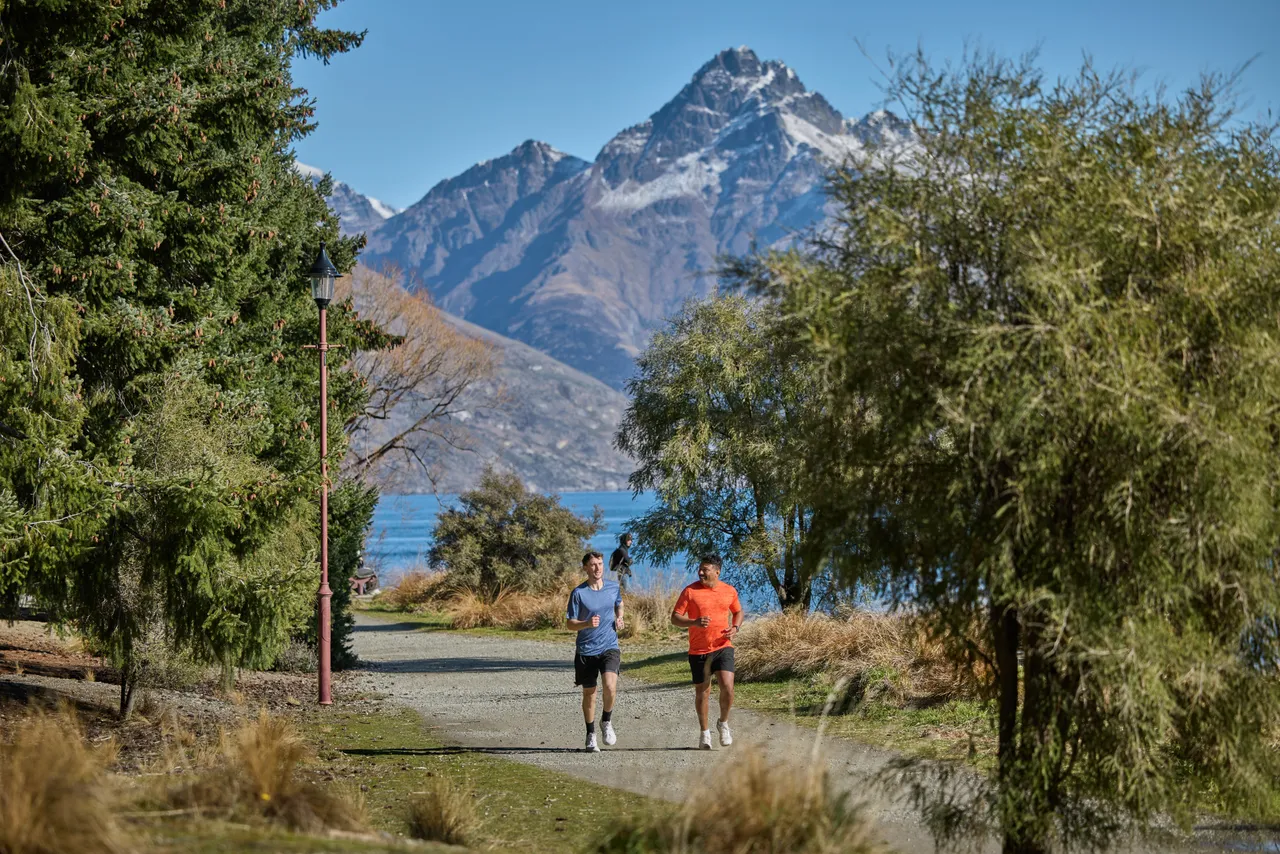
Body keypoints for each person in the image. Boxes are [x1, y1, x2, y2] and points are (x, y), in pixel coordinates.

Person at [670, 554, 743, 750]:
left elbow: (738, 612)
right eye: (700, 569)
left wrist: (735, 627)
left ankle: (723, 723)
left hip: (723, 646)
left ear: (717, 572)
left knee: (728, 687)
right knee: (703, 692)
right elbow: (675, 618)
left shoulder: (729, 591)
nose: (700, 572)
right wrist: (693, 622)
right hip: (699, 650)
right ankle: (704, 733)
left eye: (706, 569)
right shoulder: (690, 591)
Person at [565, 551, 624, 752]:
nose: (597, 568)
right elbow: (570, 624)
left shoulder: (613, 587)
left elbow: (619, 603)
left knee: (610, 686)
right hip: (586, 650)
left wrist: (620, 617)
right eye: (592, 564)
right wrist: (586, 623)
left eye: (599, 564)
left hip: (609, 646)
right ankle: (591, 734)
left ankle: (606, 721)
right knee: (590, 693)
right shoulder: (578, 593)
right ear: (585, 568)